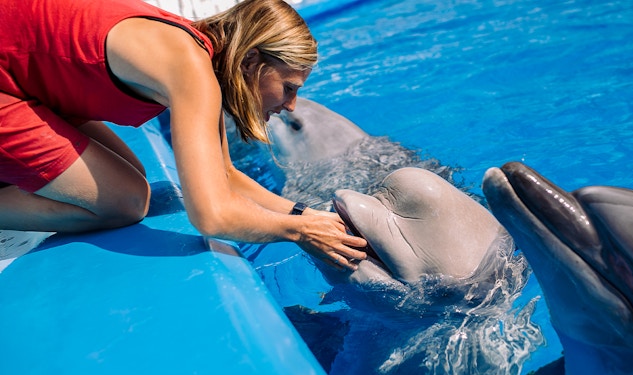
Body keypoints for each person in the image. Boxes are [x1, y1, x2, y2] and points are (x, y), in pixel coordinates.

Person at [0, 0, 367, 270]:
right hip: (9, 80)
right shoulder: (190, 69)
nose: (291, 105)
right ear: (252, 61)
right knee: (125, 202)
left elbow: (226, 177)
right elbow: (211, 217)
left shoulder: (195, 54)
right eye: (289, 87)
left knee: (131, 177)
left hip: (22, 79)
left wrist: (310, 215)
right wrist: (299, 233)